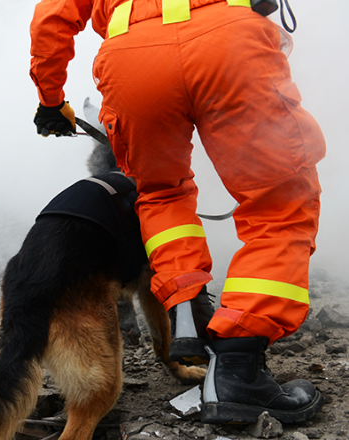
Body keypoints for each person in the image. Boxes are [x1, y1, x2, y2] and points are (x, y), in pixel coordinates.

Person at [30, 0, 325, 424]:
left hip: (132, 54)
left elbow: (52, 17)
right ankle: (239, 369)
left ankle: (187, 309)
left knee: (160, 193)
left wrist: (50, 98)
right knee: (279, 203)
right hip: (226, 39)